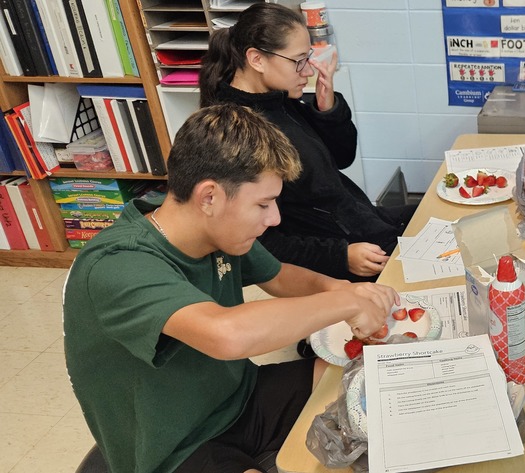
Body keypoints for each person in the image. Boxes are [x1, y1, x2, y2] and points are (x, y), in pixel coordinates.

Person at [64, 104, 399, 473]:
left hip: (241, 398)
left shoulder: (214, 228)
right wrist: (344, 302)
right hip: (176, 447)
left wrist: (342, 288)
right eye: (263, 204)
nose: (274, 218)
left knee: (368, 378)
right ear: (209, 197)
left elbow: (280, 276)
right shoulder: (117, 264)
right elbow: (226, 334)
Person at [199, 2, 417, 282]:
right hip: (340, 253)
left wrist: (327, 110)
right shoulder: (239, 135)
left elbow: (342, 157)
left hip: (360, 222)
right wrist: (341, 256)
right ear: (256, 59)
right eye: (298, 60)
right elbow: (263, 245)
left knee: (444, 220)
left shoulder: (280, 99)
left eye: (308, 58)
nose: (307, 71)